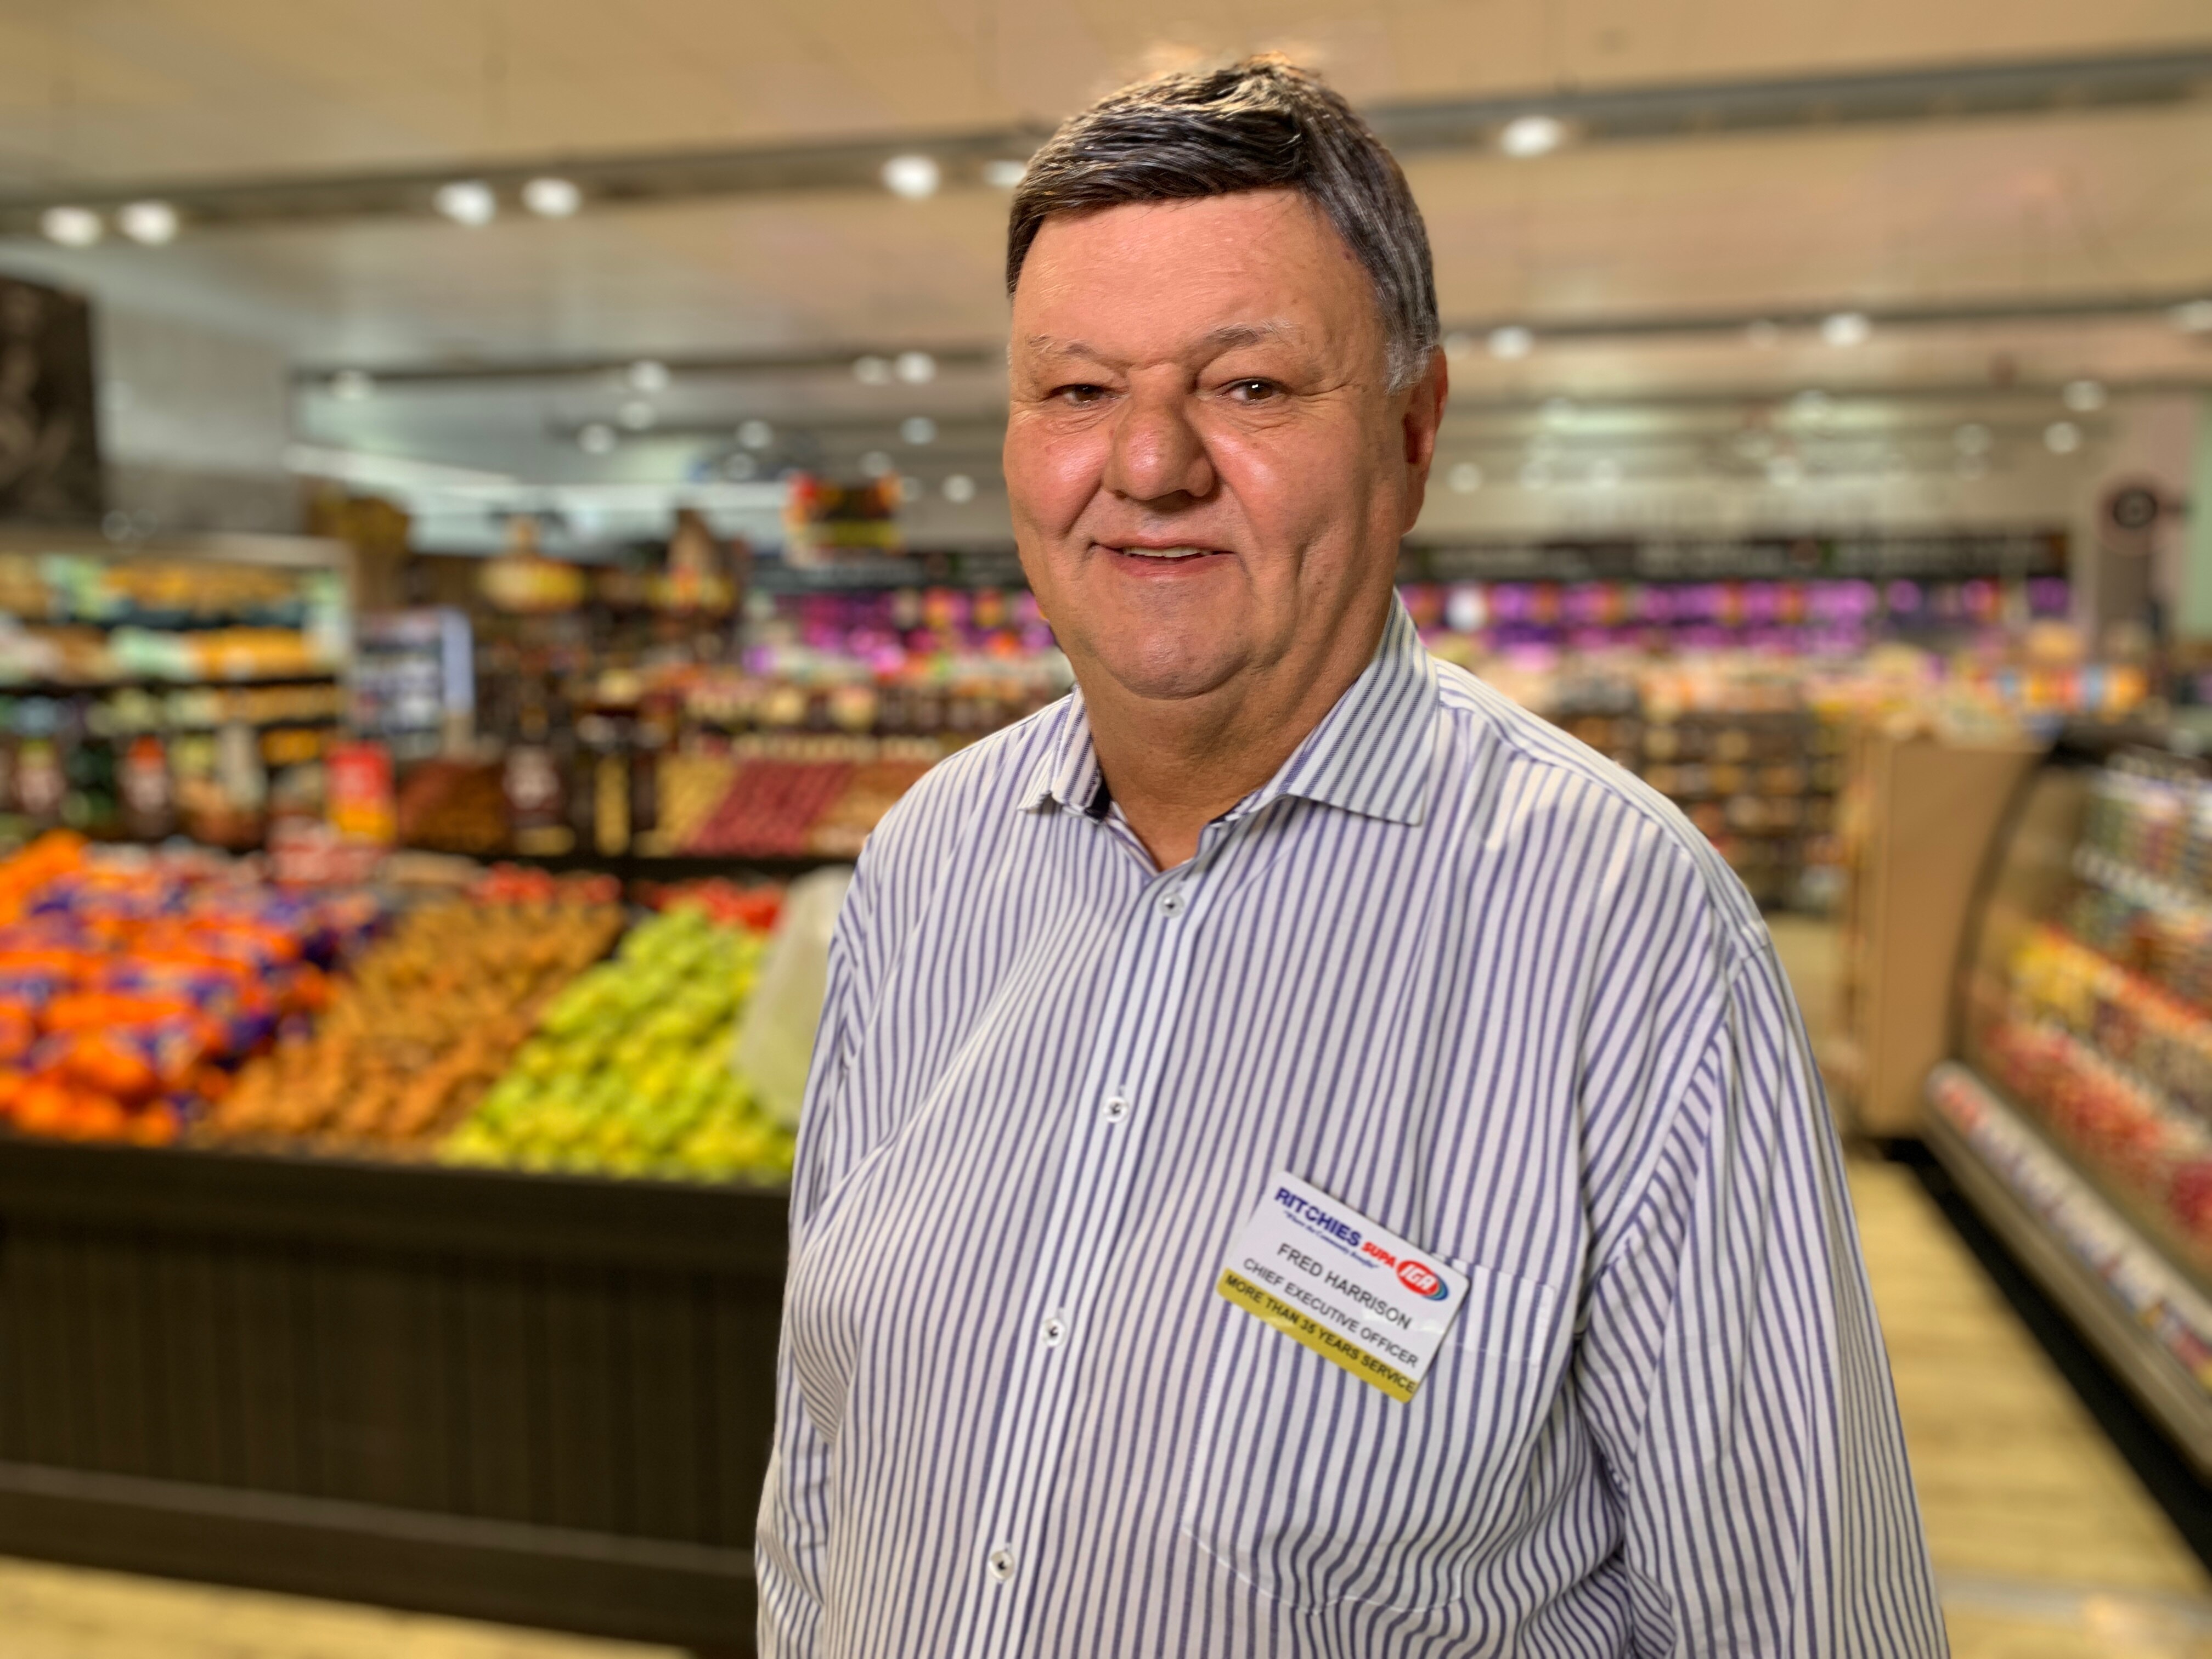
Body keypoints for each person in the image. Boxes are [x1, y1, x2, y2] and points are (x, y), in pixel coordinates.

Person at [758, 57, 1945, 1658]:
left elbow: (1795, 1621)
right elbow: (823, 1480)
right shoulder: (921, 874)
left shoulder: (1622, 929)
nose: (1152, 463)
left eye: (1248, 388)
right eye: (1077, 390)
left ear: (1412, 429)